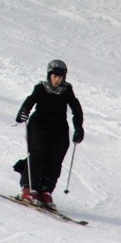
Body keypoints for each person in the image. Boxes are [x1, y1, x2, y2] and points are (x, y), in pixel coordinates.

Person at [13, 59, 84, 209]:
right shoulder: (41, 88)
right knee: (38, 153)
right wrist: (22, 113)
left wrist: (78, 128)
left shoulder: (67, 90)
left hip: (58, 128)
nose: (57, 79)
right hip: (39, 125)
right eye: (55, 76)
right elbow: (30, 101)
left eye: (61, 76)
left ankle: (45, 190)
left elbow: (76, 109)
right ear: (49, 75)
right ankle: (28, 188)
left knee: (55, 157)